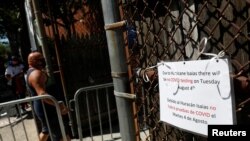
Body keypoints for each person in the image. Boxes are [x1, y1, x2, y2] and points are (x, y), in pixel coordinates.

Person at [26, 51, 71, 141]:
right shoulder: (36, 74)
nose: (43, 60)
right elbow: (42, 95)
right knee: (62, 135)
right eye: (40, 59)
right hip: (48, 109)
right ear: (32, 61)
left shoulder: (31, 72)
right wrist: (59, 105)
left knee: (46, 130)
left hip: (43, 107)